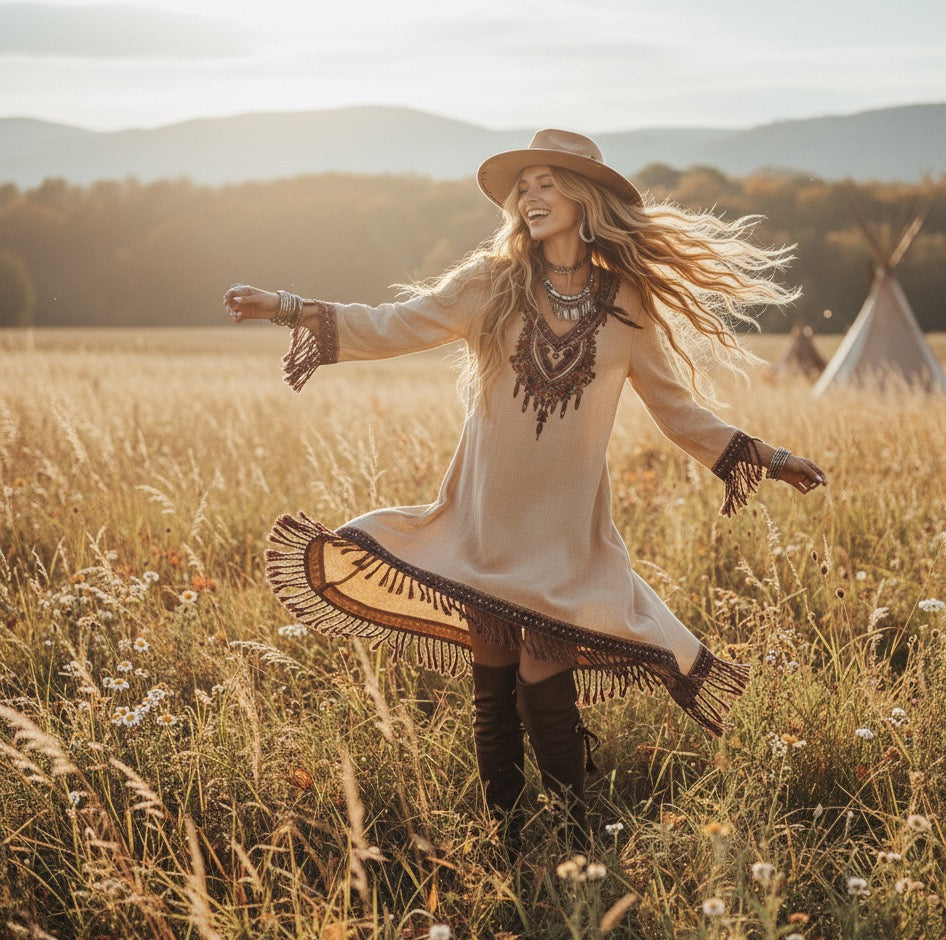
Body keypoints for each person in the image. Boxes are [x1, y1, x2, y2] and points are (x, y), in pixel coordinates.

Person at [224, 129, 827, 846]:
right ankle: (509, 832)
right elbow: (394, 325)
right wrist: (289, 307)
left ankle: (576, 832)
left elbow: (677, 411)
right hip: (486, 518)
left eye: (547, 182)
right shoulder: (490, 282)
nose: (530, 196)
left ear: (584, 198)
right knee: (494, 681)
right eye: (524, 186)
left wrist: (769, 454)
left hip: (564, 533)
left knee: (547, 669)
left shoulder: (628, 303)